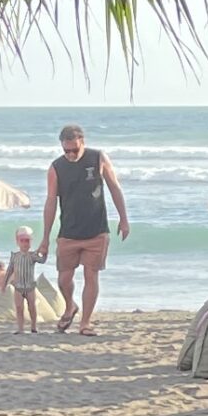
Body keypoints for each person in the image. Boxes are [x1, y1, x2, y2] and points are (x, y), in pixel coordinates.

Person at [41, 122, 129, 337]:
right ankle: (70, 306)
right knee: (64, 278)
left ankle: (85, 323)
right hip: (68, 232)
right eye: (66, 151)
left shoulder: (97, 158)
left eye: (75, 150)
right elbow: (51, 202)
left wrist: (123, 218)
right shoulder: (56, 167)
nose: (71, 155)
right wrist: (45, 238)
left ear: (82, 142)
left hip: (97, 230)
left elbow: (114, 188)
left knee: (92, 275)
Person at [4, 227, 44, 334]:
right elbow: (9, 270)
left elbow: (42, 260)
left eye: (27, 241)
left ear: (30, 242)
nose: (25, 243)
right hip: (18, 286)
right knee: (19, 307)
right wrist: (4, 284)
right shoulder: (15, 256)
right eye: (22, 241)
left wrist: (43, 251)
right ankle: (20, 328)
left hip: (30, 286)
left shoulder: (33, 255)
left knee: (32, 306)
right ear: (17, 242)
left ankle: (34, 326)